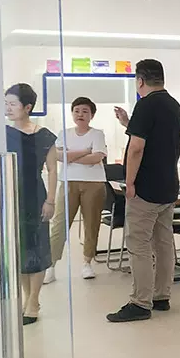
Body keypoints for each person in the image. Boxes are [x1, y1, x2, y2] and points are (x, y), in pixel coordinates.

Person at [108, 59, 180, 323]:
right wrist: (128, 123)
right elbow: (157, 138)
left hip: (146, 187)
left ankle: (140, 302)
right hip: (168, 185)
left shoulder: (145, 104)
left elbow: (137, 148)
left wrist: (129, 182)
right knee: (163, 242)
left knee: (138, 243)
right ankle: (161, 296)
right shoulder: (173, 105)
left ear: (139, 81)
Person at [4, 83, 57, 326]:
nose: (8, 108)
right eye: (6, 103)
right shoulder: (3, 133)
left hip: (35, 195)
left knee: (37, 247)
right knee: (20, 249)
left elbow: (53, 169)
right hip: (10, 194)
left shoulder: (44, 135)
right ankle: (28, 298)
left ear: (27, 107)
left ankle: (34, 300)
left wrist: (51, 200)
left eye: (13, 104)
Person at [48, 96, 108, 282]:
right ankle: (51, 265)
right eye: (77, 111)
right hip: (68, 182)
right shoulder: (64, 133)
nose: (80, 114)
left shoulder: (97, 134)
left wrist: (70, 156)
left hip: (94, 184)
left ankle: (87, 263)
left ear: (91, 115)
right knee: (59, 224)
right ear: (72, 113)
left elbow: (96, 158)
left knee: (91, 224)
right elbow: (57, 155)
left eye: (85, 111)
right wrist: (84, 152)